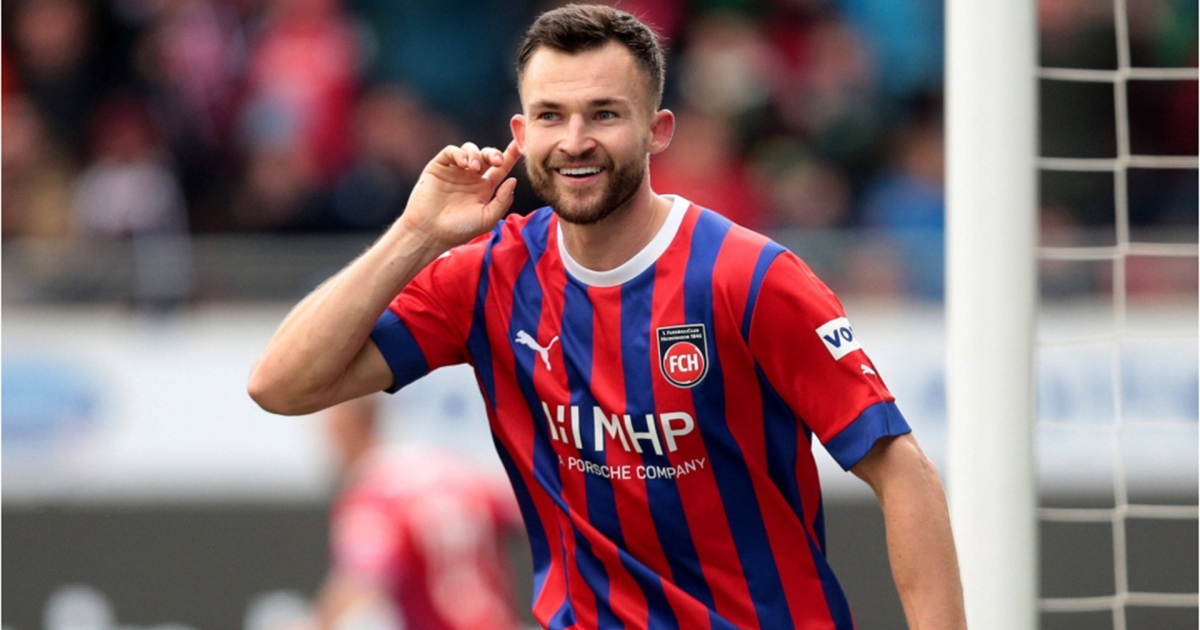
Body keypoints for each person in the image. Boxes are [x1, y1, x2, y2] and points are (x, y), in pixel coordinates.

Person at [249, 5, 966, 629]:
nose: (574, 140)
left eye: (604, 114)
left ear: (657, 130)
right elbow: (281, 385)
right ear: (520, 131)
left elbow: (902, 471)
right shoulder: (486, 276)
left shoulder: (749, 278)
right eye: (551, 116)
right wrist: (416, 233)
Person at [312, 394, 523, 630]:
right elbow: (527, 518)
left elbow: (356, 584)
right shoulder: (453, 470)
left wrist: (317, 624)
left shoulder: (372, 496)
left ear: (343, 430)